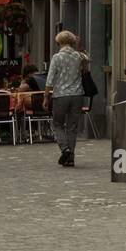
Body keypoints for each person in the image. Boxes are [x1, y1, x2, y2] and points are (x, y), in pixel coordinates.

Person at [43, 31, 88, 166]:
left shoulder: (57, 57)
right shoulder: (79, 56)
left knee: (57, 124)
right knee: (72, 127)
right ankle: (71, 158)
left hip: (60, 95)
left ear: (59, 42)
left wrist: (46, 97)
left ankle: (65, 149)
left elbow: (50, 79)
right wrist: (79, 47)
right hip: (77, 95)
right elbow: (86, 65)